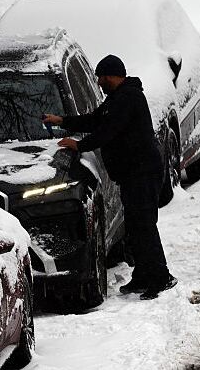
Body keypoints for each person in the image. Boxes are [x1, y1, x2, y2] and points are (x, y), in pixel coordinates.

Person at [43, 54, 177, 300]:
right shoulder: (117, 98)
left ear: (111, 75)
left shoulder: (129, 98)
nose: (99, 82)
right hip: (132, 174)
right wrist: (62, 120)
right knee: (135, 227)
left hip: (143, 173)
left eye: (101, 77)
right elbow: (95, 120)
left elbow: (108, 131)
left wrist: (79, 145)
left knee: (144, 225)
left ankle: (160, 277)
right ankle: (143, 275)